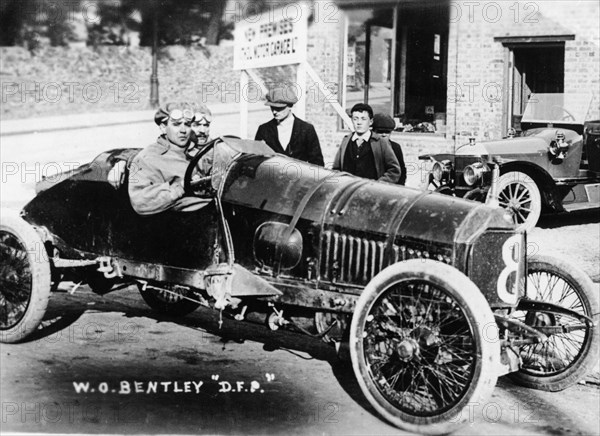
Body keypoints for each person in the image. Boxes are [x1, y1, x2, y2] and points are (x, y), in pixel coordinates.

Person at [128, 102, 211, 215]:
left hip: (214, 209)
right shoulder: (149, 158)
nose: (183, 130)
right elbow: (140, 201)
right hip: (184, 220)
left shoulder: (200, 151)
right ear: (163, 127)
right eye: (176, 124)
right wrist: (181, 187)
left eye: (187, 124)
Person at [255, 85, 324, 166]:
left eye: (278, 108)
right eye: (272, 108)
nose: (274, 112)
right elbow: (256, 160)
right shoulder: (264, 129)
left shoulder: (306, 129)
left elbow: (317, 164)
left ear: (290, 106)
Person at [333, 103, 400, 184]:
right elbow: (336, 169)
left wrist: (378, 185)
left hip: (372, 193)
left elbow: (394, 170)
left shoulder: (381, 142)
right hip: (348, 193)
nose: (359, 122)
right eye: (355, 119)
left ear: (370, 121)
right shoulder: (346, 141)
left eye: (363, 119)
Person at [372, 113, 407, 185]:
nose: (384, 135)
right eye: (380, 132)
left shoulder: (395, 147)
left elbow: (401, 171)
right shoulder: (369, 147)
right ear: (373, 132)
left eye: (387, 132)